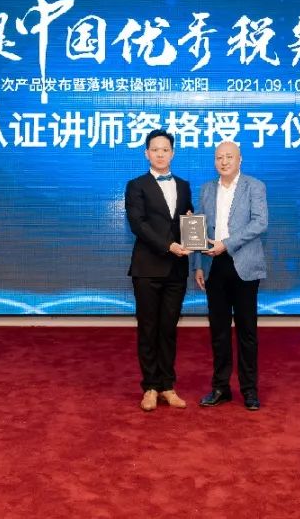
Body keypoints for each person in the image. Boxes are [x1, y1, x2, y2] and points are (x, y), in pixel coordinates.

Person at [192, 141, 268, 411]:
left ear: (240, 159)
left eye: (229, 157)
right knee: (219, 331)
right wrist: (198, 265)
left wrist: (227, 243)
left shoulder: (254, 186)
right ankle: (220, 388)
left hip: (243, 264)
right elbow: (199, 229)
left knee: (247, 331)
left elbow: (260, 222)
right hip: (213, 265)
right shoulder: (206, 189)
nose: (223, 162)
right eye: (219, 157)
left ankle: (249, 390)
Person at [125, 129, 193, 412]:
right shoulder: (136, 185)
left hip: (176, 270)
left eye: (165, 149)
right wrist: (168, 246)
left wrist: (192, 230)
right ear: (147, 154)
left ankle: (167, 386)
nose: (160, 154)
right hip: (148, 268)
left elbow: (187, 219)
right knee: (148, 328)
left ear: (172, 153)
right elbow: (138, 224)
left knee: (168, 329)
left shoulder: (184, 185)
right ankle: (150, 387)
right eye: (155, 149)